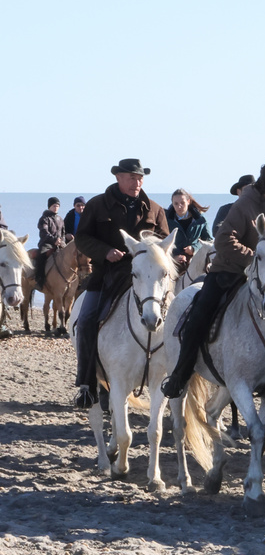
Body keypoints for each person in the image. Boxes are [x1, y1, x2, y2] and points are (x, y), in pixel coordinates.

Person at [161, 160, 265, 399]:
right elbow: (224, 240)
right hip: (229, 273)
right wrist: (254, 260)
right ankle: (180, 376)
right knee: (198, 316)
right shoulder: (244, 205)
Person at [72, 159, 170, 407]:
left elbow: (165, 244)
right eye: (131, 178)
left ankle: (176, 378)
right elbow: (82, 238)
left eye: (140, 179)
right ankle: (87, 384)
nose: (136, 183)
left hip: (148, 281)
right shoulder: (97, 205)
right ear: (118, 178)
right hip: (107, 275)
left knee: (178, 320)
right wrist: (104, 251)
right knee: (84, 322)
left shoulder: (156, 210)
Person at [164, 189, 211, 267]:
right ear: (172, 203)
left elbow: (208, 241)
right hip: (172, 265)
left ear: (188, 201)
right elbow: (160, 242)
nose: (179, 206)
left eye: (182, 203)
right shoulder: (165, 220)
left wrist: (194, 249)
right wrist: (173, 257)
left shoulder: (200, 219)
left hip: (196, 263)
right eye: (176, 203)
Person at [33, 197, 63, 287]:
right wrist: (54, 240)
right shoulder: (44, 219)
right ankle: (39, 279)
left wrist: (62, 242)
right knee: (41, 255)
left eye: (58, 206)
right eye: (54, 206)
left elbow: (63, 233)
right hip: (46, 244)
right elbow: (44, 232)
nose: (56, 208)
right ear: (49, 206)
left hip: (59, 244)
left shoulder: (60, 219)